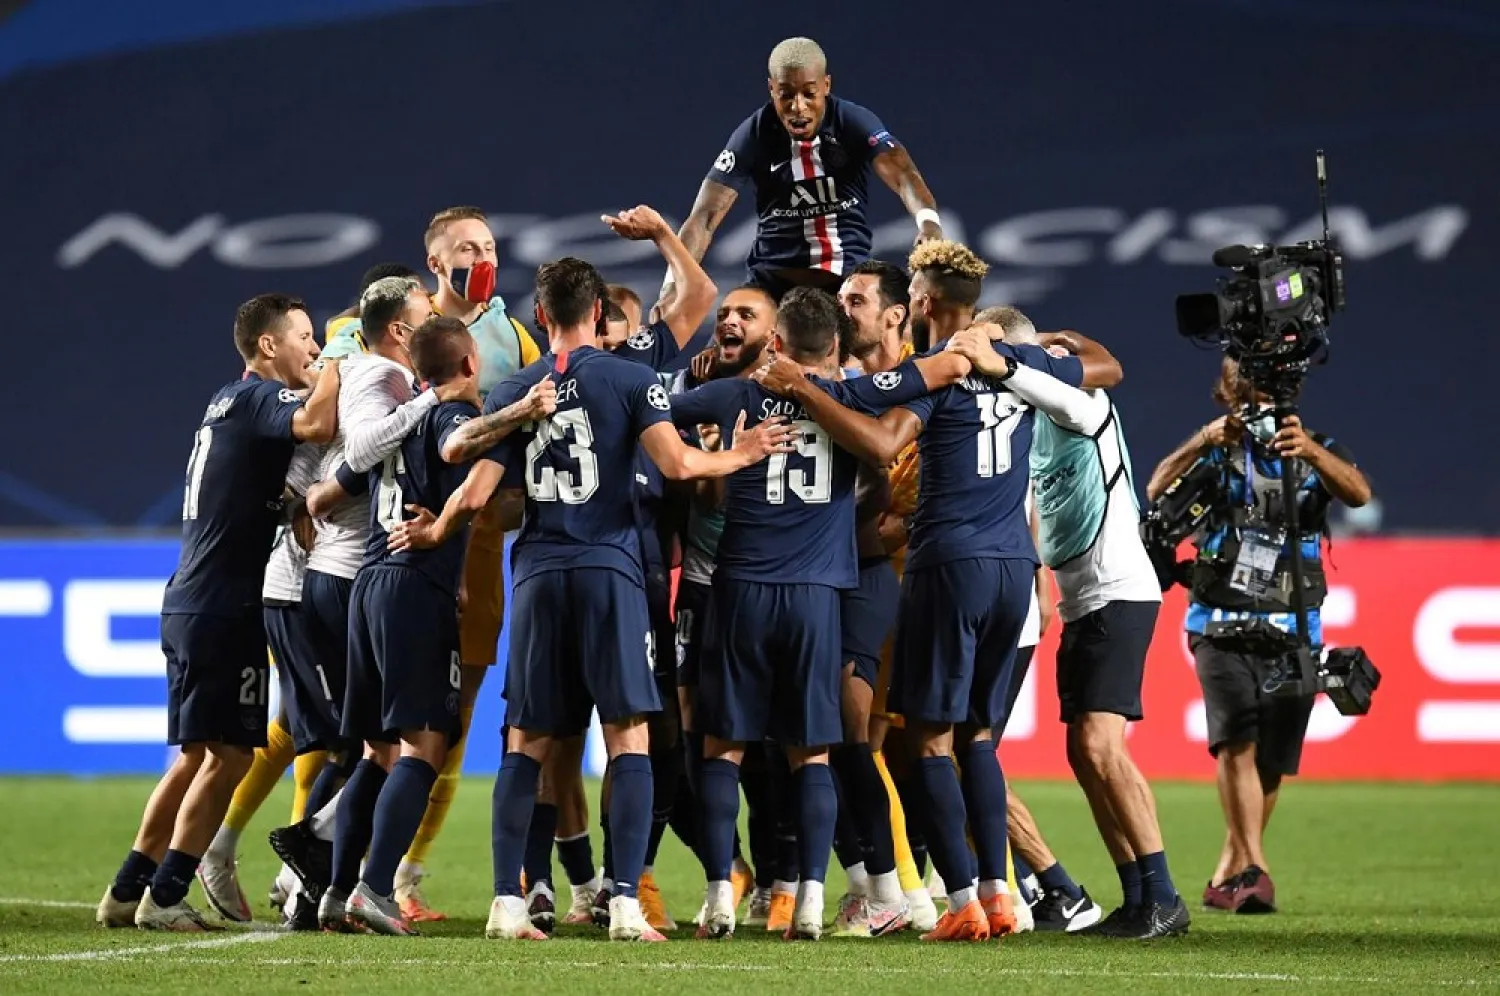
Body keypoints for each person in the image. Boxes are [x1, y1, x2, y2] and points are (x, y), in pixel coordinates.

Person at [400, 256, 795, 942]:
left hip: (539, 575)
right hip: (610, 572)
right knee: (628, 735)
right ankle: (621, 904)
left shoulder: (515, 390)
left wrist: (437, 528)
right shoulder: (634, 379)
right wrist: (744, 453)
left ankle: (505, 903)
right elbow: (677, 465)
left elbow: (476, 492)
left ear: (542, 316)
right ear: (602, 317)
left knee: (527, 738)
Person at [757, 241, 1120, 941]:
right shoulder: (1015, 367)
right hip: (1015, 567)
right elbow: (1107, 367)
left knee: (926, 741)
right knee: (978, 739)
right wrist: (1034, 349)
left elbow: (875, 430)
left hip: (947, 565)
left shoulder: (934, 375)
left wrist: (800, 385)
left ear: (919, 303)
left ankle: (960, 904)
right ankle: (999, 893)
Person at [677, 287, 971, 940]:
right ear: (835, 346)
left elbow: (656, 409)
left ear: (776, 343)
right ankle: (811, 902)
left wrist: (708, 392)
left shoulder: (734, 397)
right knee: (813, 757)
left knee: (723, 750)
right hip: (817, 599)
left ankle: (721, 898)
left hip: (741, 588)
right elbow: (917, 383)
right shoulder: (851, 398)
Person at [97, 294, 341, 931]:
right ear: (268, 346)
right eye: (306, 338)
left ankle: (128, 889)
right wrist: (344, 365)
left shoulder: (223, 402)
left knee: (196, 756)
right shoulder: (263, 398)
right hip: (225, 605)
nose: (314, 349)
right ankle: (168, 893)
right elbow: (317, 425)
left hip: (190, 598)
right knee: (229, 757)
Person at [951, 309, 1186, 938]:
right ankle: (1137, 895)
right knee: (1084, 753)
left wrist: (1008, 358)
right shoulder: (1025, 425)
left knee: (1101, 746)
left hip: (1120, 591)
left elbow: (1062, 380)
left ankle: (1162, 895)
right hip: (1084, 600)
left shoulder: (1085, 403)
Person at [323, 316, 551, 935]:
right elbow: (457, 447)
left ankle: (337, 889)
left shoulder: (400, 420)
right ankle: (375, 888)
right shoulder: (451, 415)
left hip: (370, 585)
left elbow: (342, 482)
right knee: (424, 745)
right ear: (470, 365)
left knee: (377, 749)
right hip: (414, 588)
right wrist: (521, 412)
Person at [1147, 357, 1370, 915]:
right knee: (1236, 741)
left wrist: (1312, 453)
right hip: (1217, 622)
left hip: (1294, 624)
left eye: (1262, 384)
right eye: (1241, 383)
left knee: (1272, 758)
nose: (1253, 393)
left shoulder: (1313, 447)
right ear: (1225, 394)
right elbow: (1156, 488)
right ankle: (1256, 868)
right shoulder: (1216, 450)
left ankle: (1233, 867)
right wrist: (1202, 440)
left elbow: (1359, 493)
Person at [389, 207, 546, 920]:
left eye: (487, 246)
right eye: (464, 249)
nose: (479, 258)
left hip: (476, 543)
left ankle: (404, 876)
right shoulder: (397, 325)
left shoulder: (515, 339)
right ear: (434, 264)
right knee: (368, 719)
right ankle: (326, 861)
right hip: (396, 541)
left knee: (456, 712)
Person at [674, 37, 942, 302]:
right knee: (722, 342)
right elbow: (704, 216)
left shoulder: (852, 122)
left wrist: (928, 222)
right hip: (772, 282)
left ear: (826, 85)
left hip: (845, 284)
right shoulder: (754, 134)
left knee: (898, 328)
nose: (798, 106)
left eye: (809, 93)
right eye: (786, 94)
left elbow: (903, 172)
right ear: (771, 89)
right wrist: (672, 287)